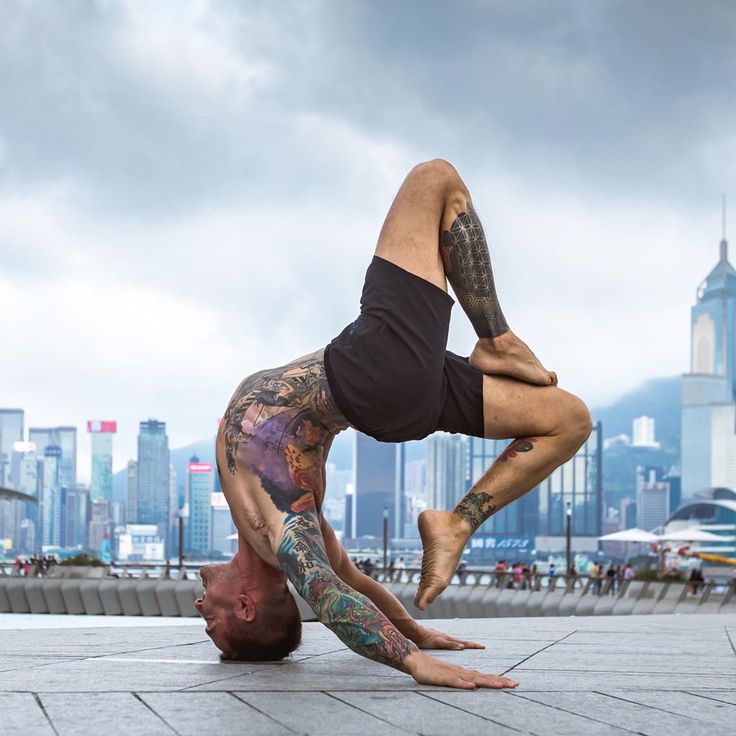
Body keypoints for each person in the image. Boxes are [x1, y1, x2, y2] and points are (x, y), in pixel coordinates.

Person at [196, 160, 591, 688]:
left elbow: (351, 580)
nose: (200, 607)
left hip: (390, 398)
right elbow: (328, 594)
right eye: (211, 621)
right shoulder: (274, 526)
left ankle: (457, 522)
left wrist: (415, 632)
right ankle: (497, 341)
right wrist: (411, 660)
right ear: (244, 607)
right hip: (369, 372)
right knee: (435, 181)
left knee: (569, 421)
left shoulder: (274, 528)